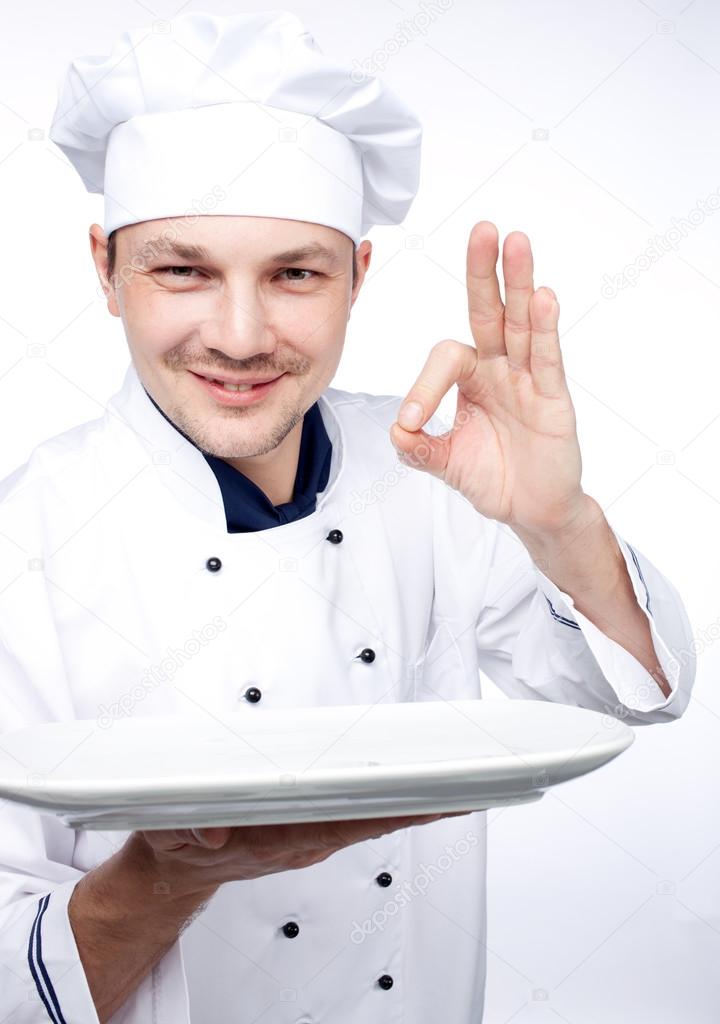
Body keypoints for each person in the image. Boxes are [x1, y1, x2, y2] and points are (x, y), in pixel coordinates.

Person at [0, 10, 695, 1024]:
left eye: (295, 273)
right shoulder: (24, 542)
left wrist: (558, 519)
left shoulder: (432, 472)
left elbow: (633, 696)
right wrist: (174, 874)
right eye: (181, 268)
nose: (239, 336)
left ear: (359, 277)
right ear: (105, 269)